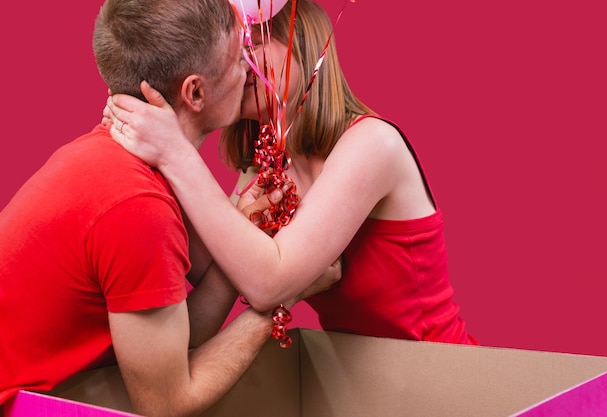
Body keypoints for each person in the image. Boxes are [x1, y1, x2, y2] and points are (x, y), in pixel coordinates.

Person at [0, 0, 338, 416]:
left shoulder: (123, 159)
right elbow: (165, 403)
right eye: (238, 58)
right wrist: (279, 304)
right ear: (195, 92)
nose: (250, 68)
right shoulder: (136, 205)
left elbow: (177, 337)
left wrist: (245, 223)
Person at [105, 0, 477, 344]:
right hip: (366, 390)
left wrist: (175, 152)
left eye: (254, 41)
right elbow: (219, 271)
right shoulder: (267, 164)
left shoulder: (372, 144)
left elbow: (268, 283)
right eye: (233, 49)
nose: (241, 61)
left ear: (302, 42)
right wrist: (149, 139)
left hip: (442, 373)